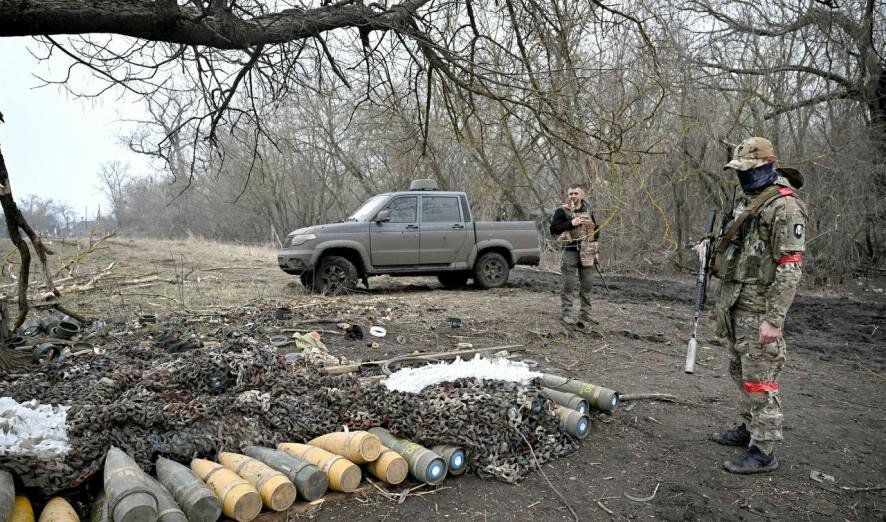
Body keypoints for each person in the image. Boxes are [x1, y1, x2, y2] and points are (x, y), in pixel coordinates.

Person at [707, 137, 807, 474]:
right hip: (735, 301)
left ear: (769, 162)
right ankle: (749, 428)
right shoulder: (749, 200)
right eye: (739, 170)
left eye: (748, 169)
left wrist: (774, 319)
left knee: (760, 378)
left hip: (759, 307)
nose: (743, 175)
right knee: (740, 370)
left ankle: (764, 449)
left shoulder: (785, 205)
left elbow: (790, 267)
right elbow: (741, 246)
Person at [549, 183, 600, 331]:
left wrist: (596, 251)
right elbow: (554, 229)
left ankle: (585, 313)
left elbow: (595, 231)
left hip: (587, 250)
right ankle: (566, 314)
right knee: (568, 284)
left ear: (581, 194)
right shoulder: (562, 210)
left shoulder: (588, 210)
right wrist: (571, 223)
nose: (573, 196)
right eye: (571, 194)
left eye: (576, 193)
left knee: (587, 284)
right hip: (570, 251)